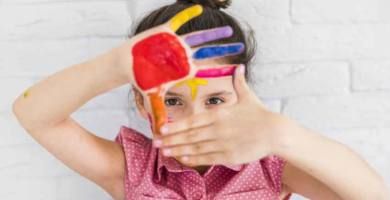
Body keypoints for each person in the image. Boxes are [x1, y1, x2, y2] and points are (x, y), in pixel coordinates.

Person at [12, 0, 390, 199]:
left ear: (242, 98)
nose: (197, 118)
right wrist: (116, 65)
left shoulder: (272, 167)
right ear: (143, 105)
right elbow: (33, 114)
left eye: (215, 101)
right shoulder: (131, 170)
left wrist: (282, 135)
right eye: (173, 102)